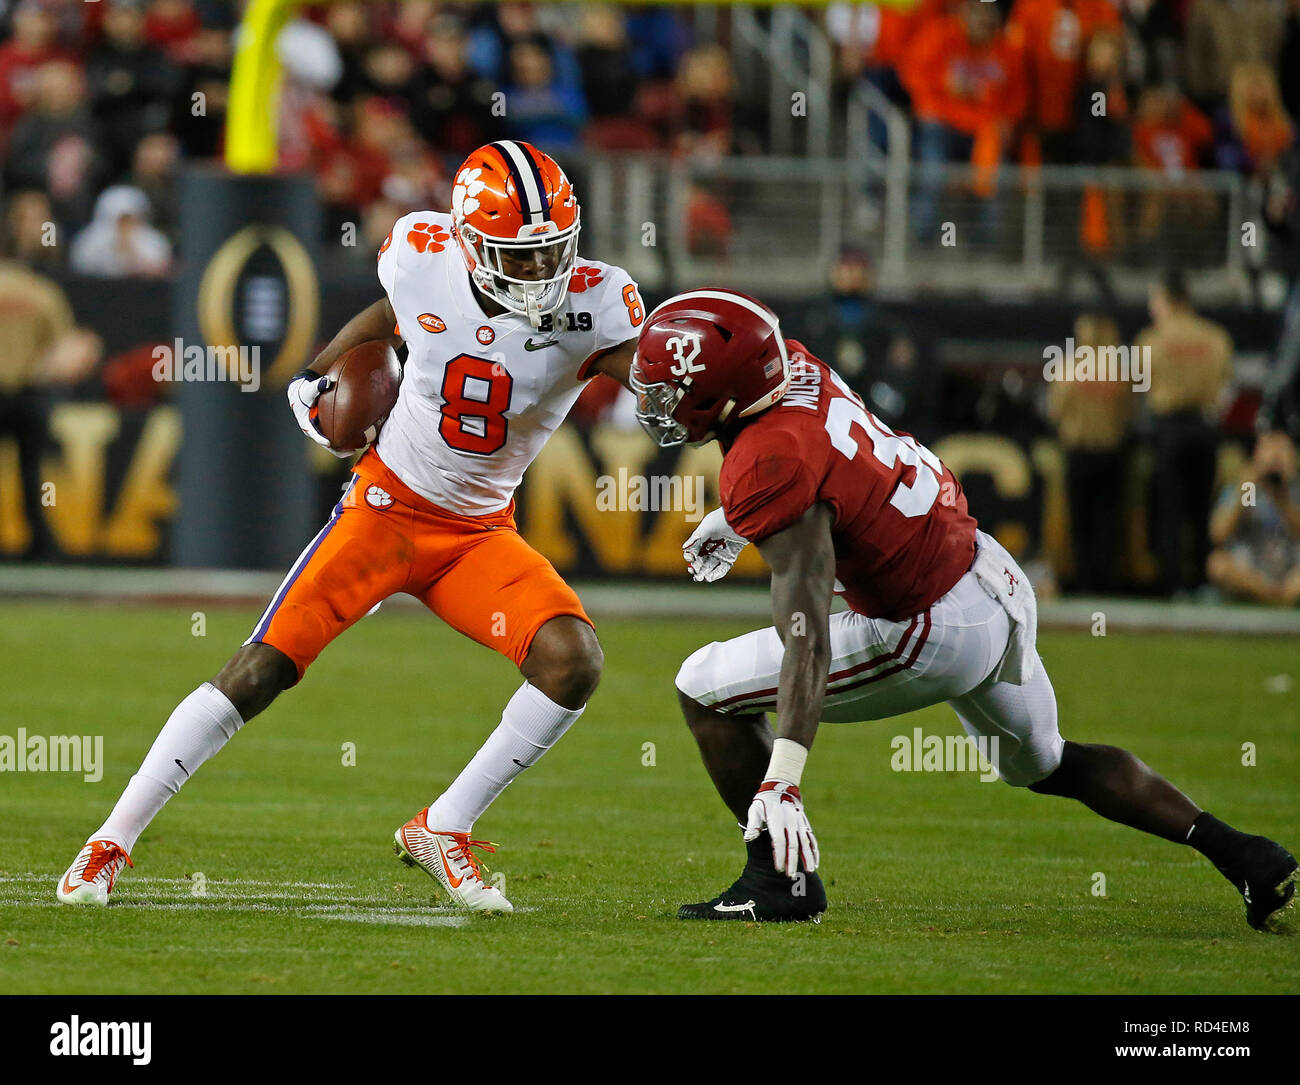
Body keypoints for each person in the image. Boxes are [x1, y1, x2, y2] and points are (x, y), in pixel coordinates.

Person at [57, 141, 645, 912]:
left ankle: (445, 826)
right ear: (470, 243)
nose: (539, 273)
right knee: (259, 668)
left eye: (549, 253)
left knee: (573, 660)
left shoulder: (600, 303)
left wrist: (698, 415)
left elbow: (660, 382)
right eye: (517, 256)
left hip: (478, 534)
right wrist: (318, 371)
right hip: (386, 510)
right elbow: (391, 316)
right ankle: (109, 842)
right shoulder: (424, 254)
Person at [629, 287, 1296, 929]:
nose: (658, 402)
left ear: (728, 386)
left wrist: (784, 778)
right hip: (988, 573)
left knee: (703, 686)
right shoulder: (795, 366)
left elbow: (806, 634)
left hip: (923, 624)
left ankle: (781, 880)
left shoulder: (765, 459)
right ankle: (1242, 853)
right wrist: (744, 518)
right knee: (1048, 761)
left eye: (672, 389)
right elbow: (839, 468)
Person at [1137, 268, 1233, 595]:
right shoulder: (1216, 337)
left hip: (1170, 430)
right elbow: (1225, 388)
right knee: (1203, 508)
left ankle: (1173, 583)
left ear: (1167, 299)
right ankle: (1203, 582)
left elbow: (1140, 386)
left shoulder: (1152, 339)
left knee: (1170, 509)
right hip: (1205, 428)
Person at [1048, 313, 1134, 593]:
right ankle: (1105, 582)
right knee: (1107, 520)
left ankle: (1085, 582)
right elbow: (1128, 414)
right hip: (1111, 453)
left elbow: (1056, 412)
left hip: (1080, 452)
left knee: (1081, 520)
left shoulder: (1069, 369)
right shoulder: (1119, 370)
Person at [1207, 432, 1300, 604]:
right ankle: (1275, 597)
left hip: (1291, 570)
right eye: (1269, 449)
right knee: (1217, 565)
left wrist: (1282, 499)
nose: (1275, 457)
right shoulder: (1248, 489)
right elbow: (1219, 534)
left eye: (1281, 449)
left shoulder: (1295, 490)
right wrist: (1245, 490)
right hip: (1253, 571)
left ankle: (1276, 597)